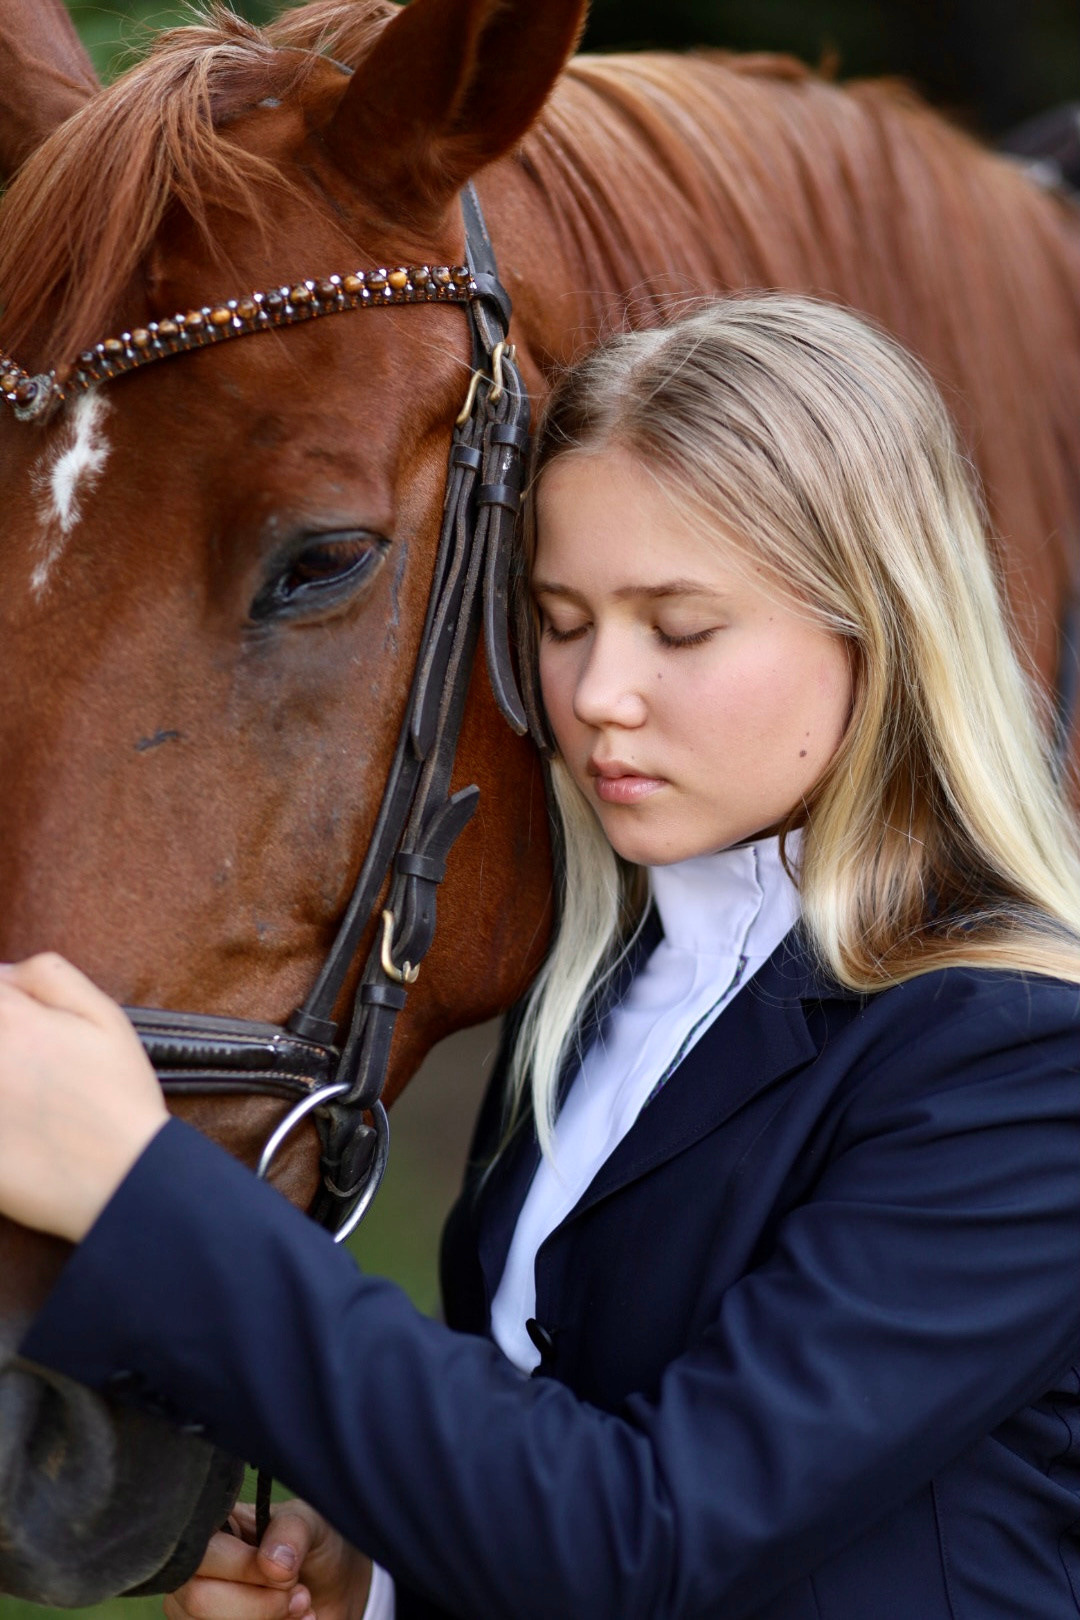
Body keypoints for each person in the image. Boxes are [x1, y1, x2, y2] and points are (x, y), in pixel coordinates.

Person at [0, 293, 1078, 1620]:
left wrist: (137, 1189)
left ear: (880, 622)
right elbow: (574, 1464)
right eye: (562, 622)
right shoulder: (599, 996)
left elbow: (645, 1538)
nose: (598, 696)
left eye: (681, 629)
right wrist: (393, 1580)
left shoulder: (1020, 1063)